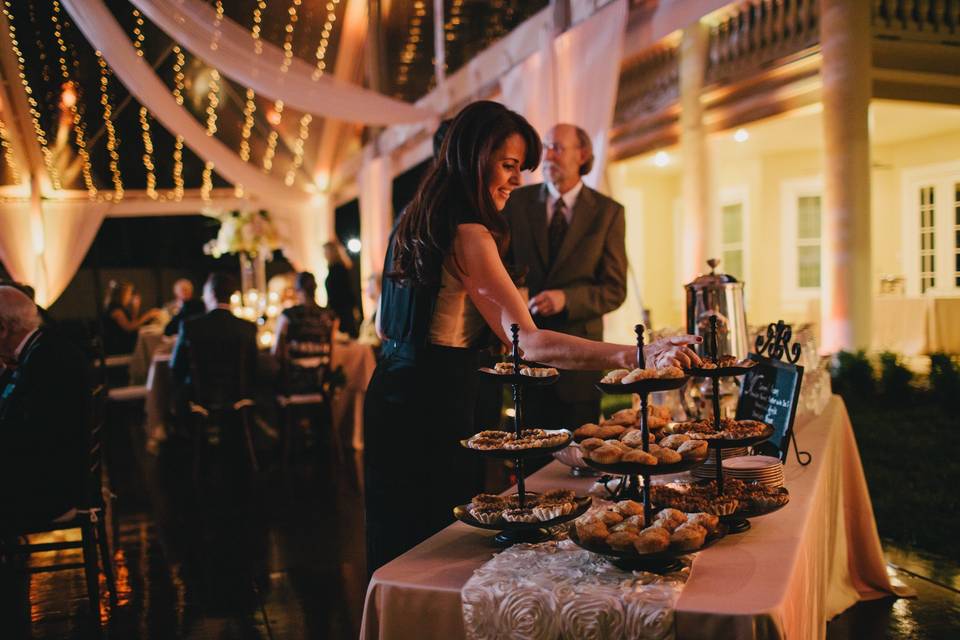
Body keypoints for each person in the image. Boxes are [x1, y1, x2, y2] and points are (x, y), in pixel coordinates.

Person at [363, 101, 701, 574]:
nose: (517, 180)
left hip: (389, 392)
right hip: (436, 401)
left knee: (397, 546)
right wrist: (638, 352)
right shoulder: (470, 234)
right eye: (507, 166)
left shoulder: (413, 218)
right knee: (438, 553)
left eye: (520, 168)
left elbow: (383, 326)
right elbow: (532, 343)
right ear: (474, 158)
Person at [502, 123, 628, 430]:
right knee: (530, 465)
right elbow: (503, 268)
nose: (547, 156)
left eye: (556, 147)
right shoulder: (516, 203)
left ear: (582, 154)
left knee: (577, 465)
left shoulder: (608, 212)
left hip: (580, 368)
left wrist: (567, 299)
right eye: (545, 147)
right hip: (527, 362)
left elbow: (614, 289)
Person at [0, 286, 89, 529]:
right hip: (60, 481)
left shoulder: (43, 362)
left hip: (48, 495)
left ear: (3, 329)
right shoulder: (46, 348)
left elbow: (17, 432)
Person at [171, 273, 258, 408]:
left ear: (210, 294)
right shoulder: (247, 327)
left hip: (199, 398)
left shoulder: (190, 326)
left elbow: (176, 366)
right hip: (238, 397)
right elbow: (253, 367)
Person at [272, 271, 338, 393]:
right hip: (320, 380)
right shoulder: (329, 316)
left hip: (293, 381)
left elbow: (276, 352)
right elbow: (332, 351)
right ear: (315, 289)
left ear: (297, 290)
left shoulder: (288, 316)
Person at [101, 280, 160, 355]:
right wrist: (147, 316)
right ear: (121, 294)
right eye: (128, 293)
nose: (130, 296)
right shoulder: (116, 310)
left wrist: (135, 309)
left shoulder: (120, 308)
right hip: (119, 347)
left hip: (125, 343)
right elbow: (129, 328)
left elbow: (133, 324)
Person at [324, 241, 359, 338]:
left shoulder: (338, 270)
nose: (324, 255)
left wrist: (331, 309)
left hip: (341, 310)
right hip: (341, 309)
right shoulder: (337, 269)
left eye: (325, 252)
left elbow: (342, 292)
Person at [357, 272, 382, 349]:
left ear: (378, 286)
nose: (367, 288)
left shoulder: (381, 309)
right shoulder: (375, 309)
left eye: (370, 285)